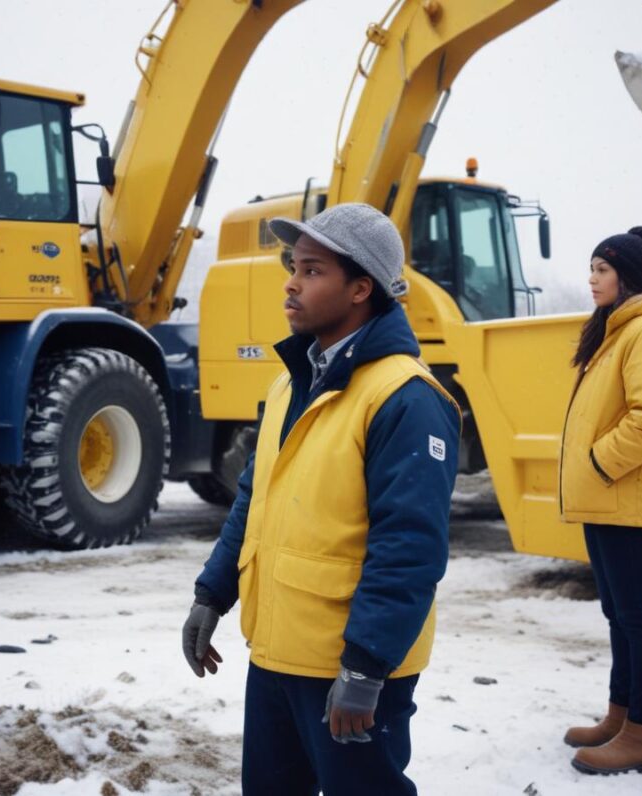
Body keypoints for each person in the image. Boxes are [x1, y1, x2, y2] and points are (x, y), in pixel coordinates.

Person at [181, 202, 461, 795]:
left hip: (351, 668)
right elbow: (255, 499)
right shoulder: (289, 382)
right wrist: (214, 592)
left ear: (361, 288)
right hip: (278, 652)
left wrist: (366, 664)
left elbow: (409, 548)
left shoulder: (406, 398)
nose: (291, 281)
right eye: (294, 266)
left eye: (312, 270)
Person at [558, 226, 642, 775]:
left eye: (602, 270)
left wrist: (599, 462)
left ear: (628, 277)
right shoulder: (617, 332)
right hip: (608, 497)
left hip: (626, 494)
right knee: (619, 613)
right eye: (591, 269)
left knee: (637, 616)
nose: (591, 280)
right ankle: (621, 716)